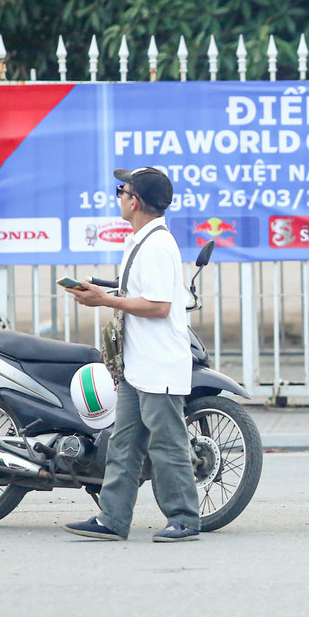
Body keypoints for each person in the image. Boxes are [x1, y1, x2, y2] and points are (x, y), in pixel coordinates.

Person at [62, 167, 203, 542]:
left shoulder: (156, 244)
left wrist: (104, 299)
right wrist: (103, 292)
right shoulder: (141, 239)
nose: (119, 197)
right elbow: (138, 294)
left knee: (168, 444)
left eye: (121, 191)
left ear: (135, 201)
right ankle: (113, 518)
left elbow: (158, 305)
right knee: (123, 444)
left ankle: (185, 518)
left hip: (158, 365)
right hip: (137, 364)